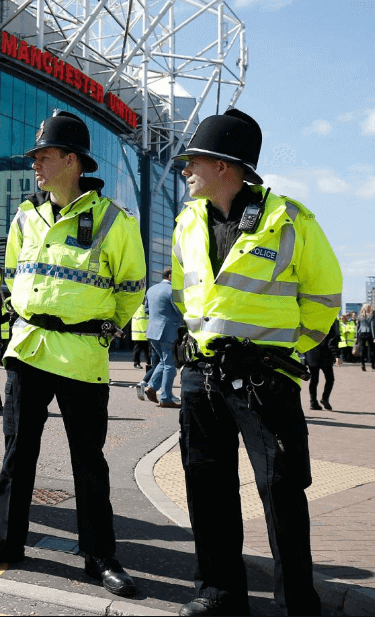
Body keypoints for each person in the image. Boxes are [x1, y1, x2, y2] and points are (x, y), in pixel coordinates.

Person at [0, 110, 146, 599]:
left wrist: (105, 329)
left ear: (72, 160)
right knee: (17, 452)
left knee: (89, 460)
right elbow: (18, 274)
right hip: (29, 348)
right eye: (36, 156)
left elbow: (130, 288)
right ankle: (4, 541)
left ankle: (100, 555)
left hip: (83, 354)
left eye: (44, 156)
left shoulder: (115, 221)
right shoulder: (26, 216)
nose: (36, 164)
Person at [171, 109, 341, 616]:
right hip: (202, 377)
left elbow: (324, 296)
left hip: (265, 381)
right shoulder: (188, 220)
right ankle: (218, 593)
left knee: (282, 493)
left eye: (192, 160)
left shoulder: (289, 219)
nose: (184, 169)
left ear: (226, 165)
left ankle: (297, 606)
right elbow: (186, 292)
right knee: (207, 487)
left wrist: (282, 355)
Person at [139, 268, 183, 409]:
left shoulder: (151, 289)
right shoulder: (172, 291)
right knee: (170, 365)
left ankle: (151, 387)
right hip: (168, 331)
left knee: (163, 362)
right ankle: (166, 398)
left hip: (152, 331)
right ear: (170, 276)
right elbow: (180, 310)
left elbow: (147, 309)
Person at [305, 318, 340, 411]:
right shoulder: (331, 320)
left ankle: (313, 402)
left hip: (311, 354)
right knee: (330, 379)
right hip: (325, 355)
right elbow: (331, 340)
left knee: (313, 380)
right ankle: (325, 398)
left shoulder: (312, 319)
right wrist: (336, 355)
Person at [130, 301, 150, 370]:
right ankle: (137, 363)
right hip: (141, 333)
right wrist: (146, 333)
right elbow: (141, 322)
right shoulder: (142, 309)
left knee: (145, 349)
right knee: (140, 350)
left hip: (139, 333)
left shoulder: (138, 308)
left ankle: (147, 362)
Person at [356, 304, 374, 371]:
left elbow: (357, 327)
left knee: (362, 349)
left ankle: (362, 364)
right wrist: (374, 337)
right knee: (372, 349)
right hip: (369, 333)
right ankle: (373, 365)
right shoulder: (371, 316)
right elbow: (372, 327)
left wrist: (356, 336)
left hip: (361, 333)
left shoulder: (360, 316)